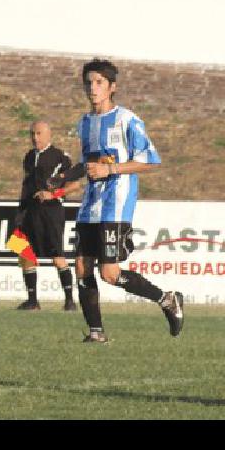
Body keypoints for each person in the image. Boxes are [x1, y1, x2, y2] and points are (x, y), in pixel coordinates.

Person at [53, 58, 183, 343]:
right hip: (91, 206)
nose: (92, 88)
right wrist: (64, 178)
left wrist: (110, 169)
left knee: (110, 274)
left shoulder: (127, 119)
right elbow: (88, 163)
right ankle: (96, 333)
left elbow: (149, 160)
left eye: (99, 82)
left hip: (116, 204)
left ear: (112, 87)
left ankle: (167, 299)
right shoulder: (85, 123)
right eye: (89, 82)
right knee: (82, 269)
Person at [14, 120, 79, 312]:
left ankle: (69, 301)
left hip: (50, 211)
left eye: (39, 133)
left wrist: (53, 194)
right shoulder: (28, 157)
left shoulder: (60, 157)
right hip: (28, 211)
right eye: (32, 134)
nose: (35, 137)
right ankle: (32, 302)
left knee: (57, 255)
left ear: (49, 134)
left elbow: (74, 185)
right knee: (24, 253)